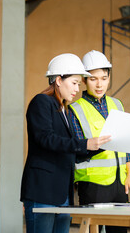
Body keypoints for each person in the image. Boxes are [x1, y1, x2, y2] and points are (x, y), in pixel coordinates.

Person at [20, 53, 111, 233]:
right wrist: (84, 144)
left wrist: (100, 145)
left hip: (63, 194)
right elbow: (46, 139)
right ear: (59, 80)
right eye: (74, 83)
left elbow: (69, 150)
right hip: (43, 191)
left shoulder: (64, 110)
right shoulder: (41, 102)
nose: (77, 89)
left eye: (78, 83)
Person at [69, 50, 130, 233]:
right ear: (84, 80)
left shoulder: (118, 104)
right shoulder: (75, 110)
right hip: (93, 184)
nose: (99, 84)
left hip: (121, 182)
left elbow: (128, 144)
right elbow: (77, 150)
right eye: (93, 79)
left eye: (104, 78)